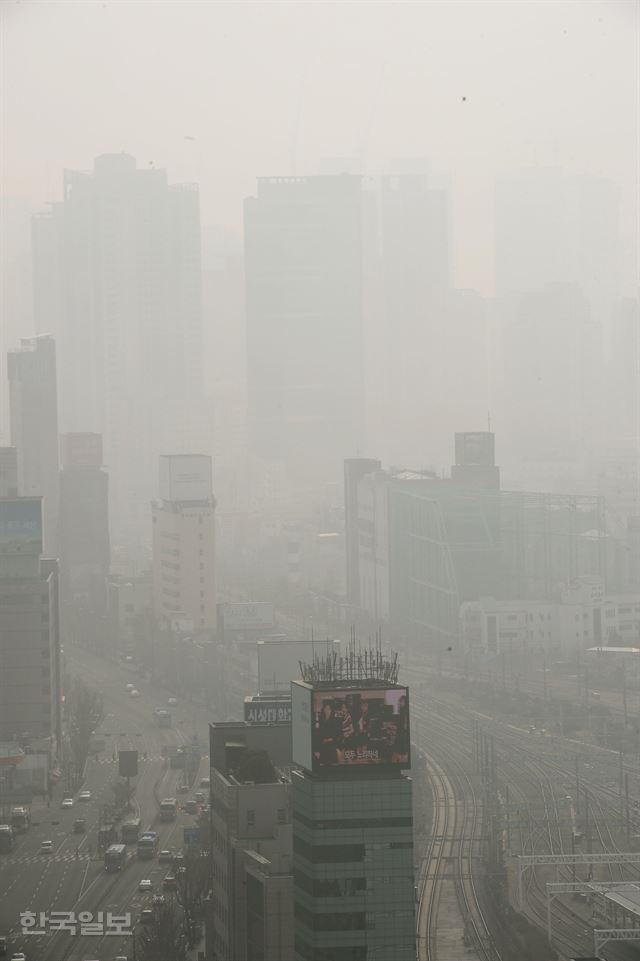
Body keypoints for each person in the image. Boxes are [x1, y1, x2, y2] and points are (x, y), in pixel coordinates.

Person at [314, 702, 341, 766]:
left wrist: (329, 739)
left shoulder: (334, 720)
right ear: (323, 710)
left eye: (329, 709)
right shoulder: (321, 720)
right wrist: (317, 749)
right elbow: (318, 734)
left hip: (331, 745)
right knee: (323, 764)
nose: (327, 710)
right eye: (326, 709)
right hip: (323, 745)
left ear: (331, 710)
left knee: (332, 764)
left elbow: (337, 734)